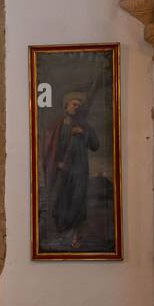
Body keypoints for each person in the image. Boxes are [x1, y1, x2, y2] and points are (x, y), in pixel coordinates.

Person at [42, 91, 99, 248]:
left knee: (78, 200)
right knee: (62, 200)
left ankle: (75, 235)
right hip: (63, 169)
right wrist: (59, 162)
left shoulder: (83, 125)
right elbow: (51, 147)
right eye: (74, 104)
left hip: (80, 170)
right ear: (66, 105)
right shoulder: (57, 125)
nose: (77, 108)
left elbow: (95, 145)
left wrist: (84, 133)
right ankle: (62, 234)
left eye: (79, 106)